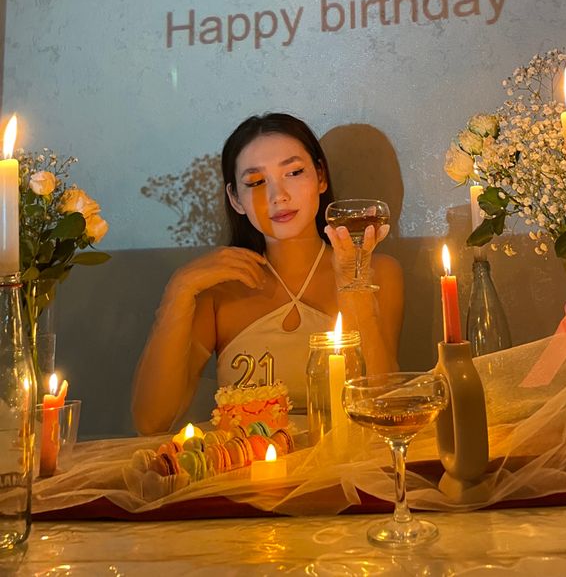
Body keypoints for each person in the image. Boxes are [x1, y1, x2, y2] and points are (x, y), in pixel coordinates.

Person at [131, 113, 404, 435]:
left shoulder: (379, 272)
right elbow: (151, 422)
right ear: (235, 198)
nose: (278, 196)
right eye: (256, 182)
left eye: (294, 172)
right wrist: (178, 292)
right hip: (248, 472)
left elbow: (383, 403)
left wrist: (351, 283)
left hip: (346, 469)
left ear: (320, 176)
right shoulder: (220, 291)